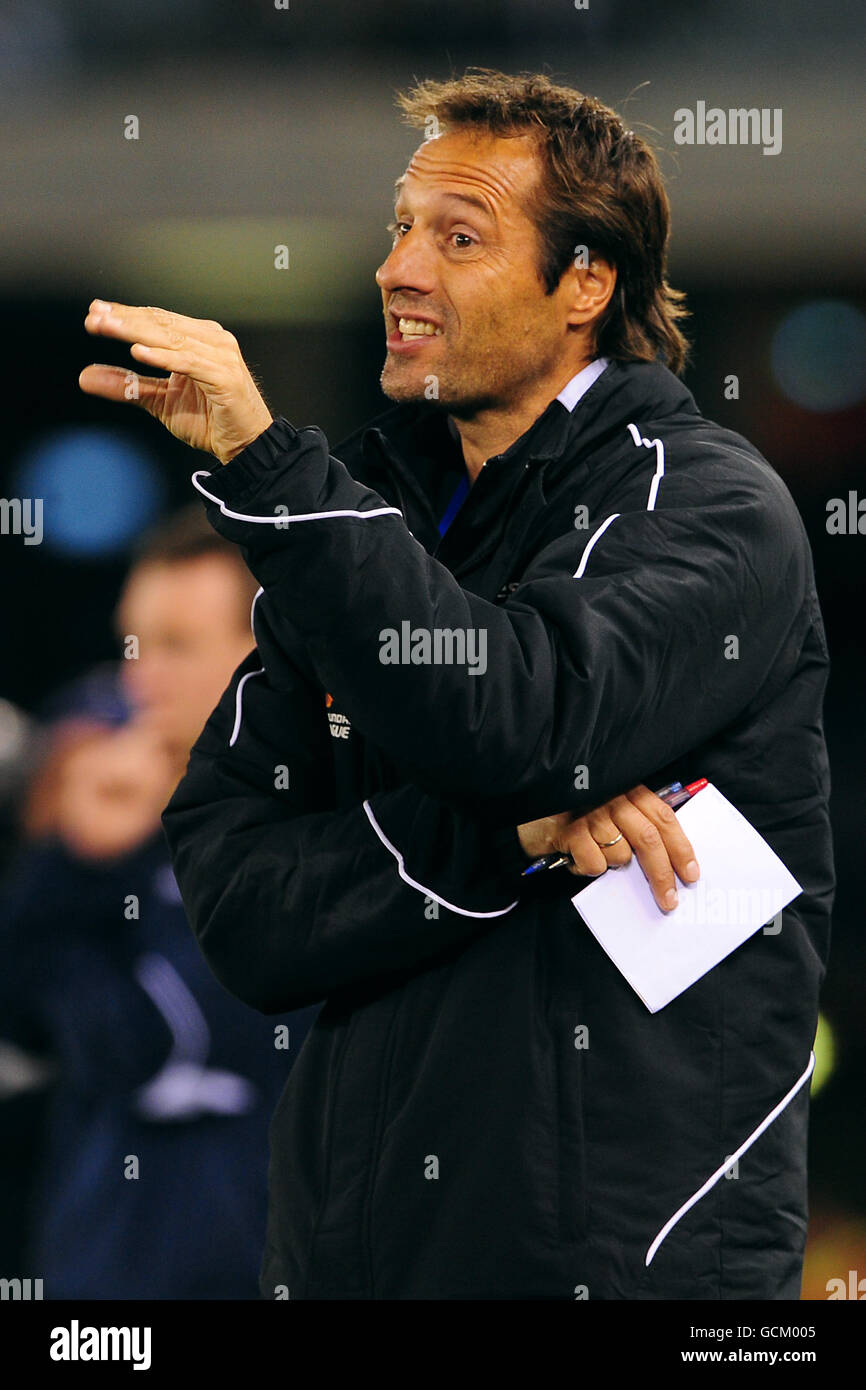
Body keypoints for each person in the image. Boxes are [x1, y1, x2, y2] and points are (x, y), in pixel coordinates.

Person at [78, 69, 834, 1300]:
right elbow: (239, 901)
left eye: (459, 235)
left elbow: (516, 718)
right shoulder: (371, 538)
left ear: (584, 282)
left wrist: (273, 470)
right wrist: (509, 837)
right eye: (399, 226)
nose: (398, 267)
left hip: (619, 1271)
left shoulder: (703, 506)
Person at [0, 507, 319, 1298]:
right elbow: (21, 1013)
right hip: (100, 1279)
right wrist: (76, 859)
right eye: (131, 641)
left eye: (176, 645)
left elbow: (149, 1038)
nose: (139, 675)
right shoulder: (108, 805)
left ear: (270, 652)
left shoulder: (345, 824)